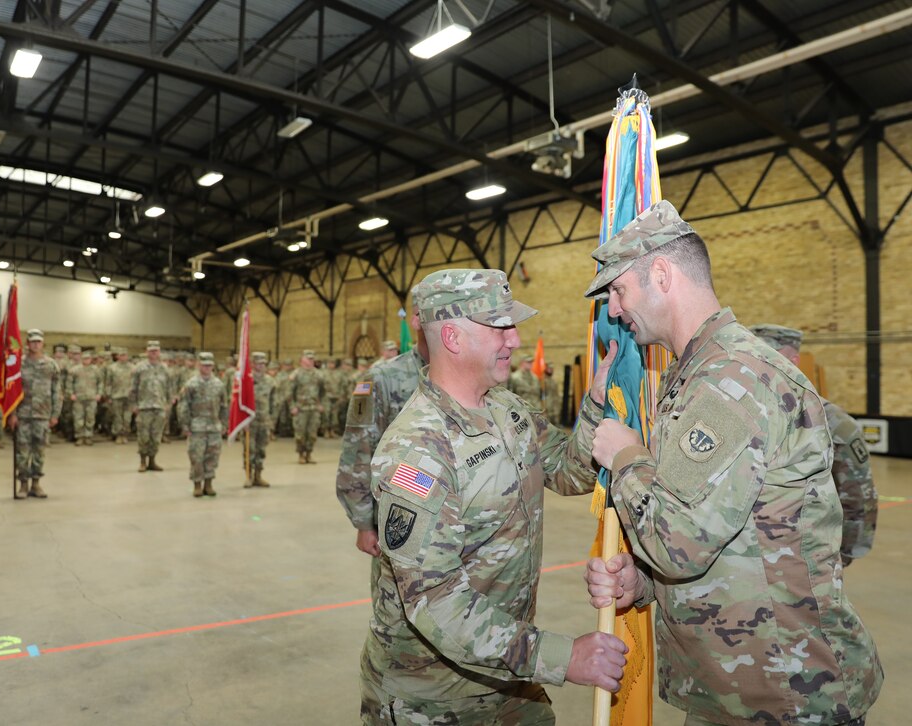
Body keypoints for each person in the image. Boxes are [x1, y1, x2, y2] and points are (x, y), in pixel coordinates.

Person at [582, 200, 882, 725]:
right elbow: (731, 531)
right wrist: (643, 583)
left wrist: (625, 455)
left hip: (786, 693)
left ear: (661, 273)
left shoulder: (731, 380)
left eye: (618, 289)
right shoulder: (700, 374)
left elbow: (678, 545)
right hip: (738, 687)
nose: (613, 309)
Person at [361, 268, 626, 724]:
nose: (515, 340)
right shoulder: (418, 451)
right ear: (452, 337)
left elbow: (568, 471)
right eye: (499, 326)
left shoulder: (506, 407)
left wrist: (596, 401)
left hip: (509, 675)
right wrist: (563, 657)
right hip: (437, 698)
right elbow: (437, 603)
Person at [751, 323, 879, 567]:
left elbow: (860, 495)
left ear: (795, 360)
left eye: (771, 357)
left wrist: (843, 556)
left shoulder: (833, 422)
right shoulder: (753, 413)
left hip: (809, 557)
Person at [337, 286, 427, 561]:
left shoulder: (476, 379)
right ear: (417, 321)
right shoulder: (380, 378)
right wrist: (364, 522)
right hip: (403, 517)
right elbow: (359, 451)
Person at [9, 329, 62, 499]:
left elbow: (56, 391)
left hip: (43, 414)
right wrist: (13, 414)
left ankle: (36, 483)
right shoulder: (18, 364)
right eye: (32, 342)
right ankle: (23, 484)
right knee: (22, 451)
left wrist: (55, 414)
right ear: (27, 343)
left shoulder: (51, 364)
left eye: (38, 342)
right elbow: (12, 391)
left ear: (43, 344)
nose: (35, 344)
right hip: (23, 414)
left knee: (39, 450)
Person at [180, 351, 227, 497]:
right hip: (197, 426)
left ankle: (209, 484)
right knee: (196, 456)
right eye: (204, 365)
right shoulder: (191, 384)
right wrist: (185, 425)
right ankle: (197, 484)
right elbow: (183, 406)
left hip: (214, 426)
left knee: (212, 456)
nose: (207, 368)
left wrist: (224, 424)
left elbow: (224, 405)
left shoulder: (219, 384)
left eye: (210, 365)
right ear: (199, 365)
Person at [131, 340, 176, 473]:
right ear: (147, 352)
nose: (153, 353)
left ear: (159, 352)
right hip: (144, 407)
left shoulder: (165, 369)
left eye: (156, 350)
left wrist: (168, 404)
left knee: (156, 436)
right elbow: (133, 388)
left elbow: (169, 388)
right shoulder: (139, 368)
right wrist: (134, 404)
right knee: (143, 435)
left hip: (159, 407)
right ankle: (143, 462)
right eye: (151, 351)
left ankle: (152, 461)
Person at [289, 350, 326, 463]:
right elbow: (290, 392)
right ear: (302, 360)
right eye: (308, 359)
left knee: (312, 433)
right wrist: (293, 406)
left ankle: (309, 454)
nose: (311, 361)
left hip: (314, 408)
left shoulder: (319, 375)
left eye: (312, 359)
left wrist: (321, 404)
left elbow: (323, 391)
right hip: (301, 409)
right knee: (300, 433)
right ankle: (301, 454)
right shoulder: (296, 374)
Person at [245, 351, 274, 488]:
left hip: (264, 420)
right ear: (252, 364)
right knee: (249, 449)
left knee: (261, 449)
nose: (261, 366)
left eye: (263, 363)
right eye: (258, 363)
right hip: (249, 421)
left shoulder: (270, 381)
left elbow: (274, 401)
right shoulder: (246, 380)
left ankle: (258, 475)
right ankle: (248, 476)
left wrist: (272, 420)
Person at [67, 350, 103, 446]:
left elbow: (100, 383)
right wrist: (71, 393)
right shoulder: (74, 370)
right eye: (84, 358)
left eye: (88, 358)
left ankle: (88, 436)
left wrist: (99, 394)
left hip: (91, 397)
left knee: (90, 418)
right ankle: (79, 437)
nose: (86, 360)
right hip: (78, 397)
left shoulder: (96, 370)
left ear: (91, 359)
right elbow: (69, 383)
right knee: (78, 418)